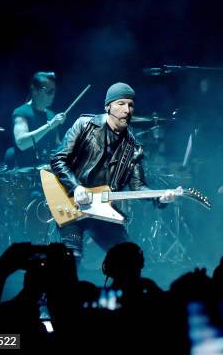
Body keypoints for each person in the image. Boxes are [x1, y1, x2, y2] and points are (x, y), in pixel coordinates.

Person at [50, 82, 175, 263]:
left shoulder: (133, 148)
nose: (127, 110)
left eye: (131, 105)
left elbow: (138, 186)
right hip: (72, 204)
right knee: (70, 258)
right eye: (121, 103)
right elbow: (57, 159)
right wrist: (76, 187)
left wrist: (159, 198)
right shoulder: (85, 125)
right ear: (108, 106)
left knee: (130, 260)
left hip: (104, 210)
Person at [11, 71, 66, 168]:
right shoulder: (21, 113)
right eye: (49, 91)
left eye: (54, 91)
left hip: (48, 173)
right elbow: (21, 143)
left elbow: (57, 144)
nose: (52, 95)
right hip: (25, 176)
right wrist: (50, 126)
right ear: (34, 90)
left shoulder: (51, 115)